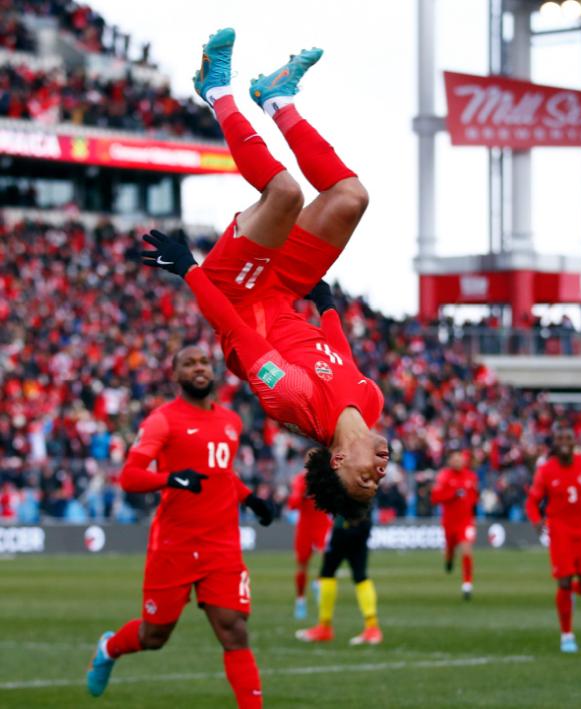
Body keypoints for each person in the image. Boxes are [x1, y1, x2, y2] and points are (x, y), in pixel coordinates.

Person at [141, 27, 389, 520]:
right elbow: (337, 354)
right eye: (376, 481)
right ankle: (277, 97)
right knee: (351, 198)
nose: (378, 472)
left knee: (285, 195)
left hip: (236, 293)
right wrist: (328, 307)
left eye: (363, 478)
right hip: (286, 291)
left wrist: (190, 269)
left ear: (337, 460)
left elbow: (234, 330)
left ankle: (216, 90)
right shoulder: (372, 403)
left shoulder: (294, 404)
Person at [86, 345, 272, 708]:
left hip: (222, 544)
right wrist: (171, 479)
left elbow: (222, 474)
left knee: (234, 630)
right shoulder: (162, 420)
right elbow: (130, 476)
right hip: (175, 545)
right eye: (189, 364)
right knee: (154, 635)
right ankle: (108, 648)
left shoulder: (231, 421)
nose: (198, 368)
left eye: (203, 362)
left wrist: (250, 498)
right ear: (176, 374)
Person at [526, 426, 581, 653]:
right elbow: (532, 501)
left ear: (574, 442)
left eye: (568, 438)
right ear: (554, 443)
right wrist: (536, 520)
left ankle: (569, 593)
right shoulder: (545, 471)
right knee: (563, 581)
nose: (564, 441)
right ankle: (567, 636)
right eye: (560, 438)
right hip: (560, 533)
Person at [295, 512, 382, 645]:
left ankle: (325, 626)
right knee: (357, 576)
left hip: (346, 527)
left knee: (329, 573)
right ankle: (371, 627)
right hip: (358, 526)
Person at [288, 450, 333, 619]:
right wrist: (300, 496)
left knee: (328, 560)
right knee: (302, 565)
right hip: (306, 526)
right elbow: (292, 504)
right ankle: (300, 600)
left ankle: (318, 582)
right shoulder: (300, 480)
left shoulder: (327, 479)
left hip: (322, 524)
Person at [431, 447, 479, 599]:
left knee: (466, 549)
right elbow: (435, 498)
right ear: (450, 461)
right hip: (449, 522)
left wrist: (473, 516)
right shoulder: (443, 477)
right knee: (450, 549)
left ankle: (467, 585)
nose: (458, 461)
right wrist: (452, 495)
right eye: (455, 458)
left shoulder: (471, 476)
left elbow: (474, 498)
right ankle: (449, 560)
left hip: (466, 521)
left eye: (460, 458)